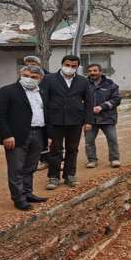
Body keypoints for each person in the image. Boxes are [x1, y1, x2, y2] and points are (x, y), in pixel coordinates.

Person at [0, 65, 49, 211]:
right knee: (16, 168)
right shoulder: (7, 91)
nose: (29, 79)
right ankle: (19, 198)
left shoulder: (41, 92)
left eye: (34, 77)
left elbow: (46, 114)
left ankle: (28, 193)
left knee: (30, 167)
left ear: (40, 79)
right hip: (15, 136)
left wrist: (48, 135)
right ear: (20, 74)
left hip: (38, 133)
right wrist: (6, 135)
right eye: (26, 75)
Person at [40, 55, 94, 190]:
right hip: (55, 121)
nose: (70, 68)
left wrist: (88, 121)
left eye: (73, 66)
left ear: (77, 67)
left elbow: (89, 102)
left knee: (72, 149)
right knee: (54, 150)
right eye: (67, 65)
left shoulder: (83, 81)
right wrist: (45, 121)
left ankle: (69, 175)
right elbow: (43, 101)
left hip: (75, 121)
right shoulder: (49, 79)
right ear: (62, 64)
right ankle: (53, 177)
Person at [85, 64, 122, 169]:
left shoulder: (110, 84)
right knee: (89, 141)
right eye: (90, 71)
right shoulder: (84, 84)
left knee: (112, 139)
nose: (92, 73)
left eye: (95, 70)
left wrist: (103, 106)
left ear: (100, 72)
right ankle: (92, 160)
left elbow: (117, 99)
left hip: (107, 118)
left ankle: (114, 159)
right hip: (90, 119)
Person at [23, 55, 50, 171]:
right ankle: (39, 160)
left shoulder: (49, 77)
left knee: (48, 138)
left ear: (39, 65)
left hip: (46, 113)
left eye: (33, 64)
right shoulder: (24, 77)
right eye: (28, 63)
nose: (30, 66)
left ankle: (50, 160)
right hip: (31, 114)